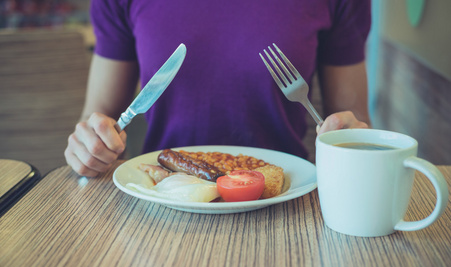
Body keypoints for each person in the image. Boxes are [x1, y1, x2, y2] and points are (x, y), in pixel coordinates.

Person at [65, 0, 371, 177]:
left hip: (287, 198)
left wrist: (352, 138)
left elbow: (353, 121)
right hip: (161, 195)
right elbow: (100, 114)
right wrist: (91, 146)